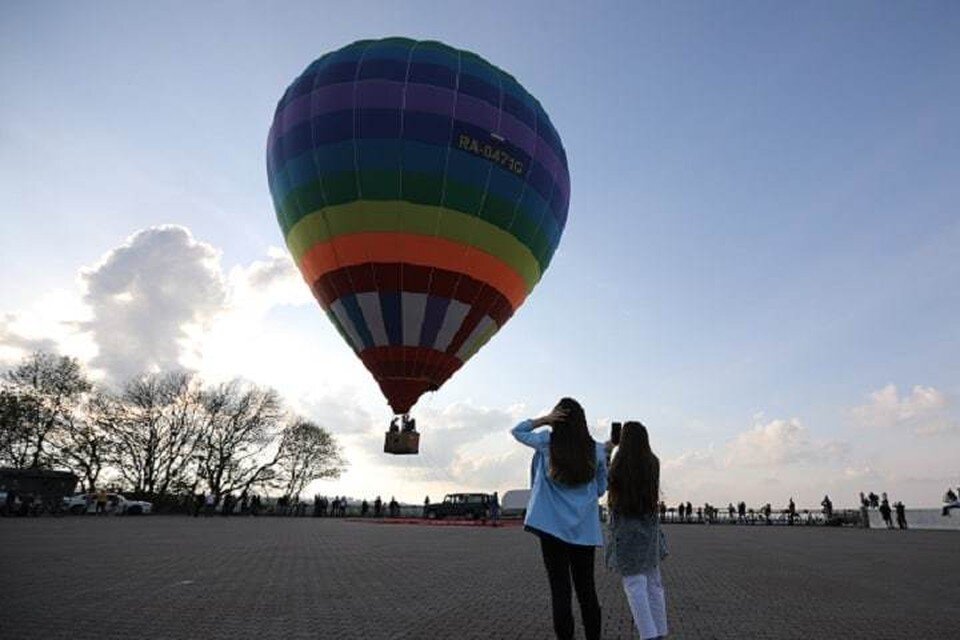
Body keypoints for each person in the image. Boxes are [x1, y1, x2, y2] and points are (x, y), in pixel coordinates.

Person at [512, 398, 606, 640]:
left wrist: (543, 419)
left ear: (557, 419)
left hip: (551, 529)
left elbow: (517, 431)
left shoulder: (546, 442)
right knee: (587, 591)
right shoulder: (596, 451)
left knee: (560, 591)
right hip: (584, 532)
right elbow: (600, 490)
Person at [605, 422, 668, 640]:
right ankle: (660, 632)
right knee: (654, 583)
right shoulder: (654, 462)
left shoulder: (619, 463)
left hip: (626, 529)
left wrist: (612, 448)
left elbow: (606, 484)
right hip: (649, 528)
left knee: (635, 585)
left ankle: (648, 635)